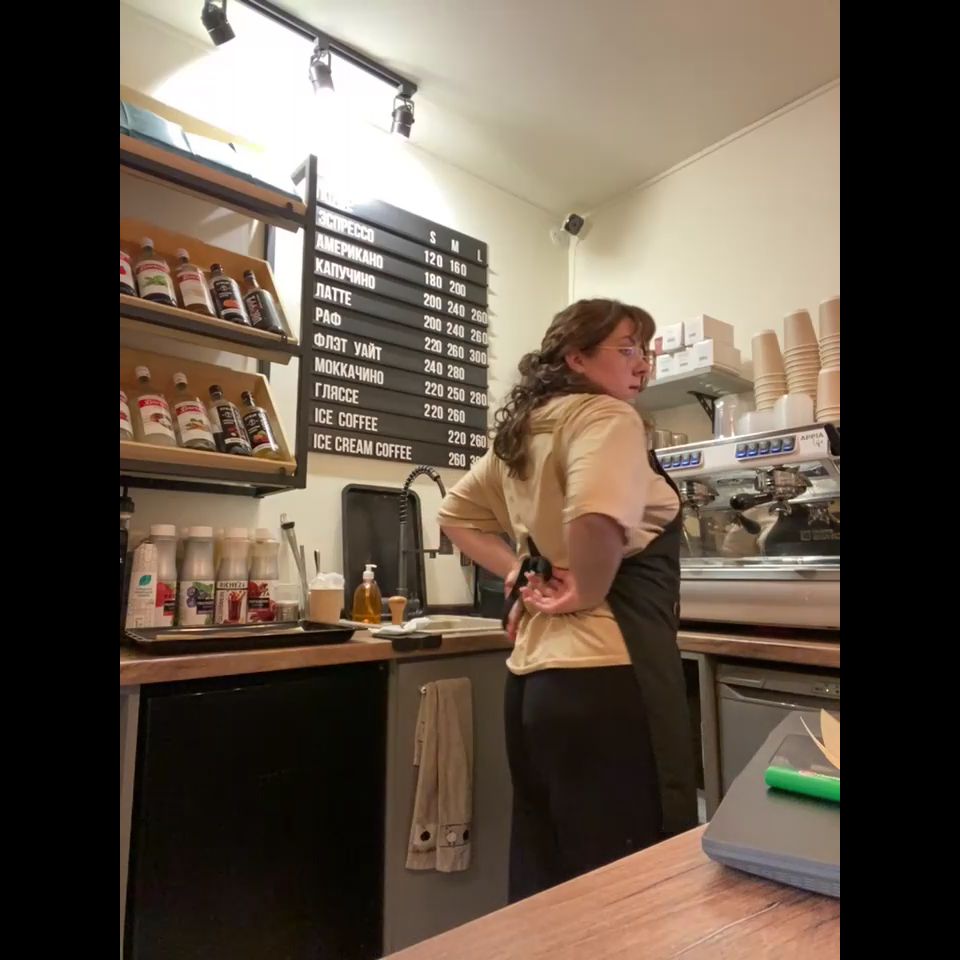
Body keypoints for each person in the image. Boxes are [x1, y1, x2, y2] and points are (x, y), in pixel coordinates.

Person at [438, 298, 697, 902]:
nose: (642, 365)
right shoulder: (608, 418)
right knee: (622, 882)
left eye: (645, 351)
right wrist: (588, 586)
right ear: (576, 358)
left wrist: (519, 571)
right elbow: (595, 513)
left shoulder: (524, 431)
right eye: (626, 350)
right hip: (605, 678)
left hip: (532, 686)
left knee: (547, 870)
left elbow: (455, 516)